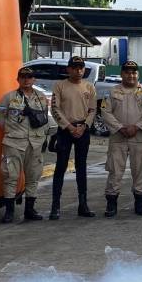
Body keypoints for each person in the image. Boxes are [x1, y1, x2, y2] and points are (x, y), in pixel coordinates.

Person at [0, 66, 53, 223]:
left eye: (30, 77)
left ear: (34, 80)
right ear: (18, 79)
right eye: (23, 77)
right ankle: (9, 211)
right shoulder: (9, 97)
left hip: (35, 142)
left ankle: (30, 210)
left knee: (33, 177)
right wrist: (10, 131)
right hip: (14, 142)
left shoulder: (40, 97)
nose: (26, 80)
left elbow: (43, 119)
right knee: (10, 175)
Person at [101, 60, 142, 218]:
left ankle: (140, 203)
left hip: (139, 137)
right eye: (127, 72)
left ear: (138, 74)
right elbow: (105, 112)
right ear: (122, 74)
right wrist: (120, 127)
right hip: (118, 137)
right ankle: (111, 204)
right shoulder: (112, 92)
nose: (130, 75)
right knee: (115, 170)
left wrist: (137, 126)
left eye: (133, 72)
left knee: (140, 170)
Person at [48, 55, 97, 220]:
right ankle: (55, 206)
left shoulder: (89, 87)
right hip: (65, 130)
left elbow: (93, 110)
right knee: (60, 167)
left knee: (81, 167)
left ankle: (83, 205)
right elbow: (55, 108)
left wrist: (84, 126)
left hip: (83, 130)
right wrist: (69, 127)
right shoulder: (60, 86)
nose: (78, 70)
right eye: (75, 67)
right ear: (68, 69)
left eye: (81, 68)